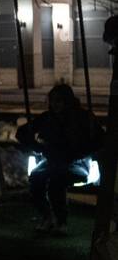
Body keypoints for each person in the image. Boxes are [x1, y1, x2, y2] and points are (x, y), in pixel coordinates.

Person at [16, 84, 103, 233]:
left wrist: (80, 153)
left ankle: (61, 221)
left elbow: (100, 139)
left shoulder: (83, 118)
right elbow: (22, 133)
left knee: (56, 182)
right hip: (52, 161)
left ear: (67, 101)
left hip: (77, 162)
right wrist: (39, 148)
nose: (54, 105)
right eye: (52, 101)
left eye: (59, 101)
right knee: (36, 179)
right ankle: (47, 216)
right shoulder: (47, 118)